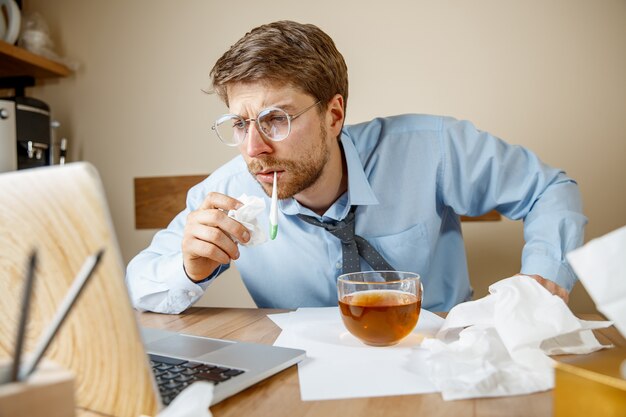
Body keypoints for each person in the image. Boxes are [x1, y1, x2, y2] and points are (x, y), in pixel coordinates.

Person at [126, 20, 587, 314]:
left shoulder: (432, 149)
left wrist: (545, 274)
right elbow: (139, 285)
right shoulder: (224, 193)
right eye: (240, 123)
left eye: (276, 120)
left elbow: (548, 189)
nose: (254, 148)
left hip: (442, 357)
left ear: (334, 115)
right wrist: (189, 269)